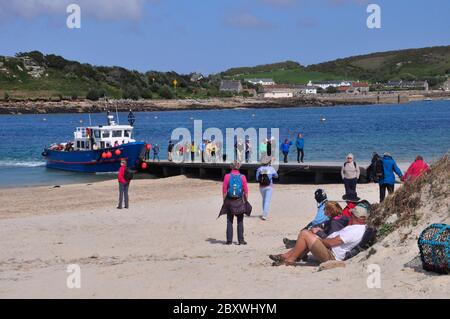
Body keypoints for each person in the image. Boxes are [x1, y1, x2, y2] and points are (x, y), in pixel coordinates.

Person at [269, 203, 368, 266]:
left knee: (304, 234)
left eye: (352, 214)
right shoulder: (355, 227)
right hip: (329, 250)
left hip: (331, 256)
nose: (350, 216)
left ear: (356, 217)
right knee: (309, 236)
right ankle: (284, 256)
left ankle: (291, 259)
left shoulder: (354, 230)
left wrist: (320, 239)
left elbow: (331, 243)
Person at [218, 162, 251, 245]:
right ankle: (241, 240)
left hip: (229, 200)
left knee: (229, 221)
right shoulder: (242, 177)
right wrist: (245, 201)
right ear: (239, 168)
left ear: (231, 167)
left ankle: (229, 241)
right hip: (239, 201)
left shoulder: (227, 176)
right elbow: (246, 190)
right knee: (240, 221)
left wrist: (224, 200)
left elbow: (224, 189)